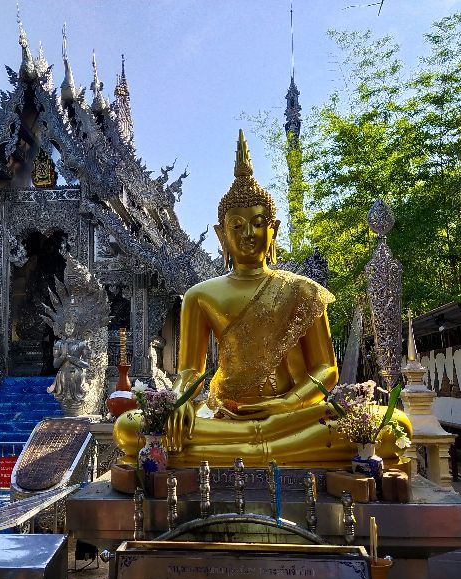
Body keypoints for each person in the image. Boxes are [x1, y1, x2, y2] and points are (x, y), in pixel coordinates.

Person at [115, 131, 411, 467]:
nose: (248, 234)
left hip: (291, 416)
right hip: (226, 413)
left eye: (257, 224)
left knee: (390, 425)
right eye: (236, 226)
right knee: (129, 427)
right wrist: (181, 399)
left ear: (274, 228)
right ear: (220, 234)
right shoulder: (200, 296)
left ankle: (244, 451)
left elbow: (326, 368)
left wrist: (285, 406)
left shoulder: (302, 290)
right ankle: (261, 450)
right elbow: (190, 369)